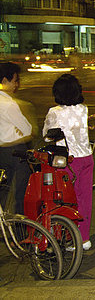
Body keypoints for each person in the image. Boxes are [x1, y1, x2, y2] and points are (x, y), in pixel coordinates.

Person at [43, 74, 94, 249]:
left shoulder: (55, 112)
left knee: (66, 200)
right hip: (87, 157)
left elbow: (47, 136)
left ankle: (68, 237)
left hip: (68, 161)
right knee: (85, 199)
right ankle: (84, 238)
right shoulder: (83, 109)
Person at [0, 62, 33, 215]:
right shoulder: (8, 104)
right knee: (20, 192)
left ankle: (4, 228)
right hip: (15, 152)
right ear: (5, 81)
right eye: (15, 80)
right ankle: (18, 234)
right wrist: (18, 129)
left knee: (3, 191)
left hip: (1, 152)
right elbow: (27, 129)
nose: (17, 84)